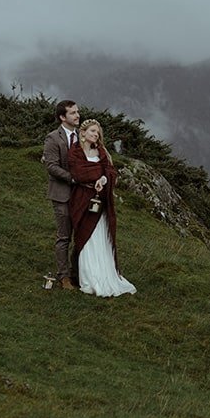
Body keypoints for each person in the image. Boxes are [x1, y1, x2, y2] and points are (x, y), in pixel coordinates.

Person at [68, 119, 136, 297]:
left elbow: (110, 171)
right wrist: (97, 174)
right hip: (82, 200)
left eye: (97, 132)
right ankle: (87, 276)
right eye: (92, 131)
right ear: (83, 133)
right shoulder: (75, 152)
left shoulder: (102, 152)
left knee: (100, 236)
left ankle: (103, 274)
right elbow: (78, 173)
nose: (95, 135)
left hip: (100, 202)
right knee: (85, 237)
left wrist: (103, 179)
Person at [43, 100, 80, 290]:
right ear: (62, 117)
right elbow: (51, 166)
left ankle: (77, 273)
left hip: (81, 195)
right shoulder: (53, 138)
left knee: (82, 235)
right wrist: (72, 178)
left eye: (77, 112)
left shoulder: (82, 136)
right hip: (61, 194)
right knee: (64, 236)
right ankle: (63, 276)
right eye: (73, 113)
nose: (77, 115)